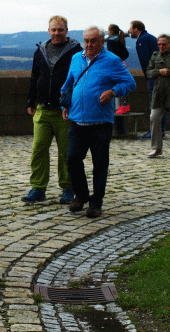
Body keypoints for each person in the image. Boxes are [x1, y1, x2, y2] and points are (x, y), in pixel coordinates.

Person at [63, 26, 136, 218]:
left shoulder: (112, 61)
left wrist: (113, 92)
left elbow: (130, 83)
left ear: (102, 42)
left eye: (93, 41)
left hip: (101, 122)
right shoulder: (76, 58)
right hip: (77, 120)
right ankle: (81, 194)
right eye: (86, 41)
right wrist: (65, 104)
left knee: (100, 164)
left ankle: (96, 202)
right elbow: (69, 83)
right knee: (72, 158)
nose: (89, 45)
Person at [23, 16, 83, 204]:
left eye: (60, 30)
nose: (57, 33)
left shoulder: (76, 52)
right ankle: (38, 188)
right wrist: (30, 100)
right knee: (38, 149)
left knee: (66, 151)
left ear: (67, 31)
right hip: (42, 109)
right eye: (53, 30)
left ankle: (67, 187)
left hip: (64, 110)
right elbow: (35, 77)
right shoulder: (40, 51)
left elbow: (79, 79)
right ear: (48, 31)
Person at [128, 20, 164, 139]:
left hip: (153, 76)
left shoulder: (142, 40)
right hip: (160, 75)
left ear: (137, 29)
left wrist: (149, 75)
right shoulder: (150, 37)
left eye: (131, 28)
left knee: (154, 104)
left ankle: (154, 131)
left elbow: (145, 60)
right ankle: (161, 131)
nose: (129, 31)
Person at [106, 24, 130, 114]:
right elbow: (125, 54)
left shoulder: (110, 40)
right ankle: (124, 106)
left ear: (111, 32)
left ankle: (120, 106)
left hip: (115, 66)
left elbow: (110, 54)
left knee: (117, 86)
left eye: (108, 31)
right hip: (122, 64)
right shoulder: (121, 39)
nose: (107, 33)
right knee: (123, 85)